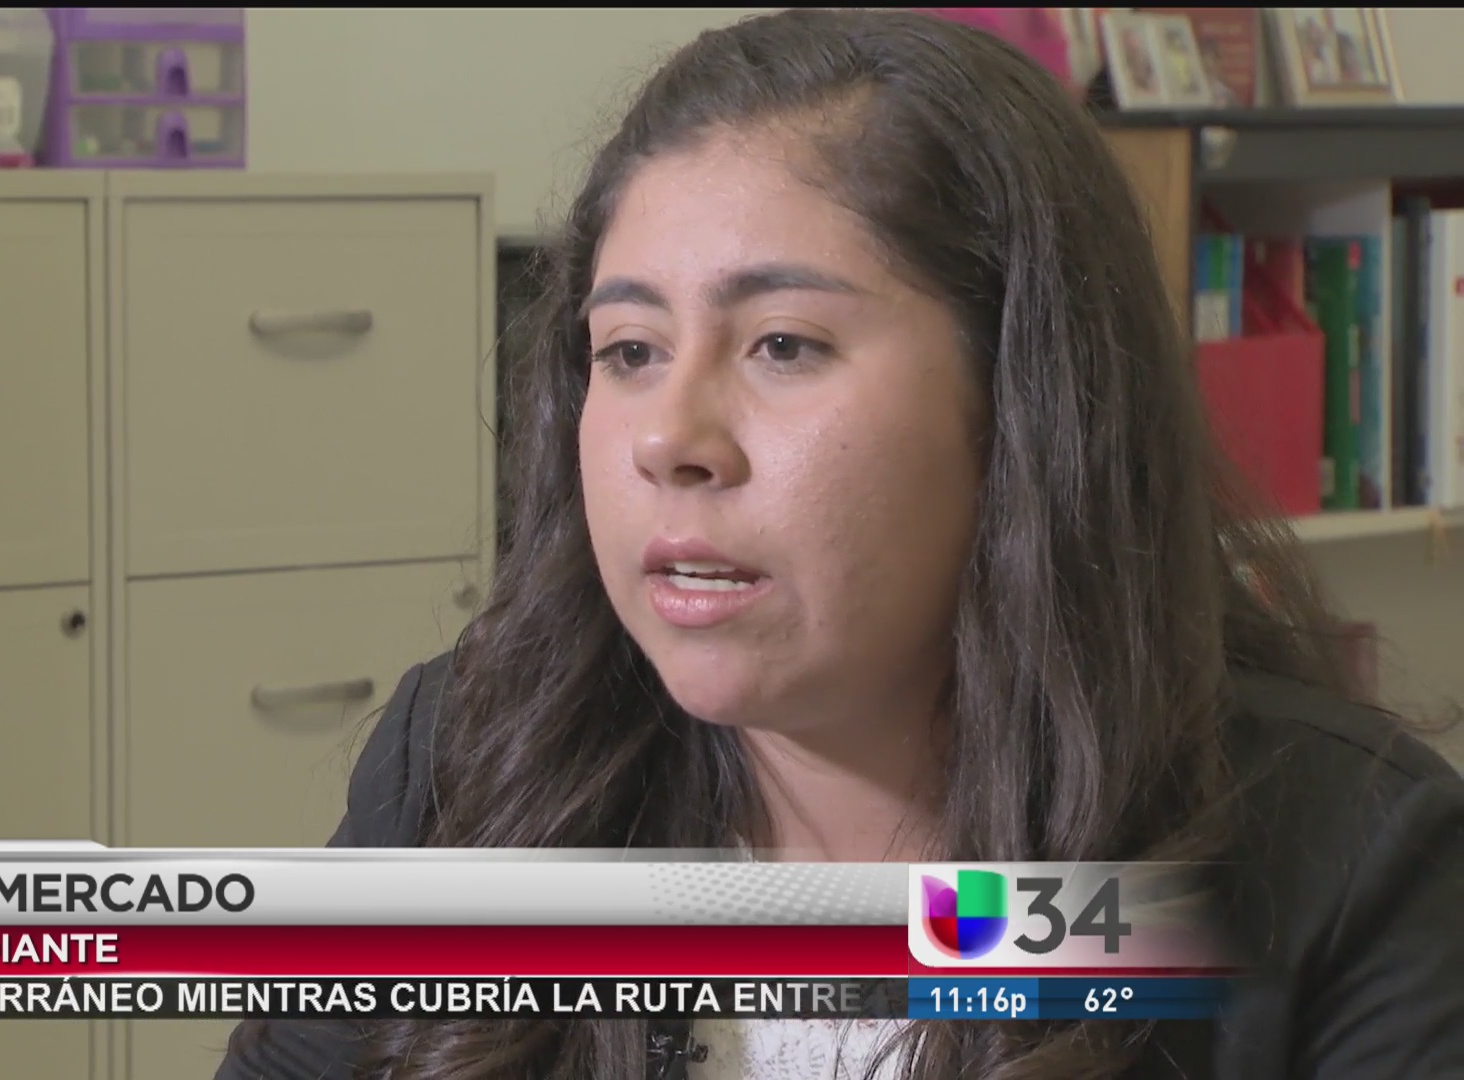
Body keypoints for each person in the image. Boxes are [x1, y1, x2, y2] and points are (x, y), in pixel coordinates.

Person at [217, 9, 1464, 1079]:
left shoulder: (1355, 866)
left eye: (783, 345)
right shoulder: (461, 771)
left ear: (1022, 403)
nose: (670, 439)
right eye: (630, 351)